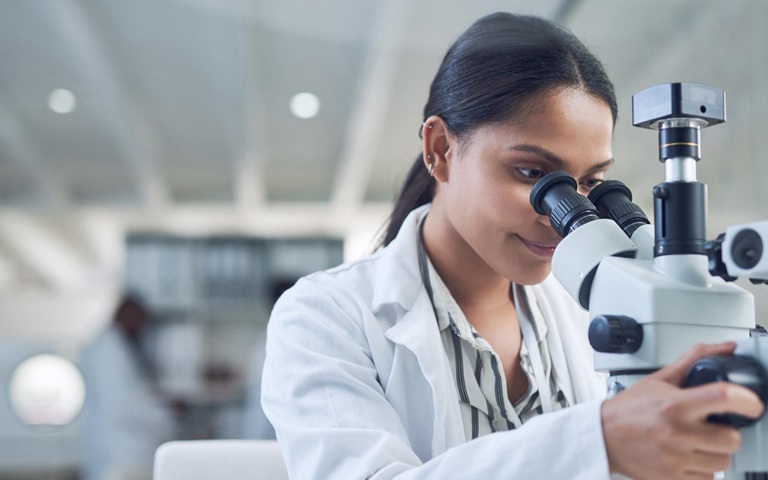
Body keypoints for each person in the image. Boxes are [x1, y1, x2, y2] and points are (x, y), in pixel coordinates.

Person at [261, 12, 763, 480]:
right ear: (440, 150)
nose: (561, 215)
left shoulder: (585, 306)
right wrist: (598, 442)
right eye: (532, 174)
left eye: (589, 184)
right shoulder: (323, 317)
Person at [79, 295, 177, 480]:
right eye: (141, 319)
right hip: (123, 454)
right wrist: (167, 416)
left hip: (126, 453)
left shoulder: (120, 347)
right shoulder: (108, 351)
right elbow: (124, 404)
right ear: (125, 314)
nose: (143, 326)